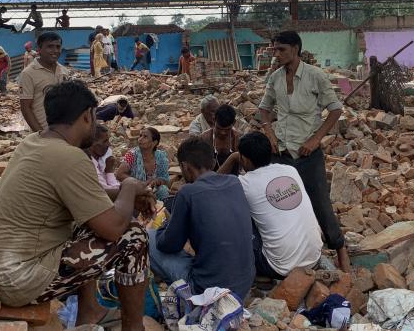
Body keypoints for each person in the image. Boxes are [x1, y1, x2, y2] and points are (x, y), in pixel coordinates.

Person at [0, 80, 152, 329]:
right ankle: (134, 327)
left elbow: (88, 195)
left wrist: (128, 193)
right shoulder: (69, 157)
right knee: (133, 236)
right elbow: (114, 228)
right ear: (86, 116)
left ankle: (89, 311)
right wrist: (129, 186)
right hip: (19, 279)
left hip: (0, 270)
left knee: (87, 220)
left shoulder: (34, 142)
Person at [258, 30, 350, 272]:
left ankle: (340, 250)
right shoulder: (275, 78)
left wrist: (316, 139)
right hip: (281, 152)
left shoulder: (314, 76)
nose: (277, 54)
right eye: (275, 50)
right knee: (281, 204)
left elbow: (335, 110)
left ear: (295, 49)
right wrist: (269, 132)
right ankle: (292, 255)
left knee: (319, 202)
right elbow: (264, 109)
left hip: (308, 154)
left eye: (282, 50)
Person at [149, 137, 255, 300]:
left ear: (184, 167)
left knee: (148, 237)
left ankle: (182, 296)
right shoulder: (235, 182)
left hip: (207, 290)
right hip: (244, 284)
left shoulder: (188, 193)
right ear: (213, 163)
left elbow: (168, 245)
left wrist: (165, 223)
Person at [218, 132, 322, 279]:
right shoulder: (290, 170)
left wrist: (232, 158)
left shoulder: (244, 183)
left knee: (232, 215)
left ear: (245, 160)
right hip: (313, 258)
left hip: (278, 267)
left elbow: (212, 188)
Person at [20, 32, 69, 132]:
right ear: (39, 49)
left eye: (58, 47)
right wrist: (41, 134)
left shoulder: (64, 71)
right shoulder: (28, 73)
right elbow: (26, 108)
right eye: (50, 47)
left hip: (64, 131)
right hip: (43, 131)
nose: (55, 51)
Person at [116, 128, 170, 202]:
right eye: (140, 136)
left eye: (145, 137)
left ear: (154, 142)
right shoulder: (132, 155)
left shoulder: (161, 156)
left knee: (163, 190)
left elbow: (165, 179)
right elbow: (120, 174)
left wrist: (156, 181)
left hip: (153, 189)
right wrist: (139, 184)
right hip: (135, 190)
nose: (140, 139)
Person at [200, 104, 239, 170]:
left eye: (227, 129)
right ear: (213, 120)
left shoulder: (236, 138)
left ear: (234, 122)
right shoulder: (205, 138)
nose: (223, 133)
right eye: (219, 128)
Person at [88, 124, 122, 191]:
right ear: (92, 143)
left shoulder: (99, 161)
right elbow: (109, 192)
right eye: (105, 141)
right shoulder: (90, 165)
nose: (109, 144)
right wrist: (109, 170)